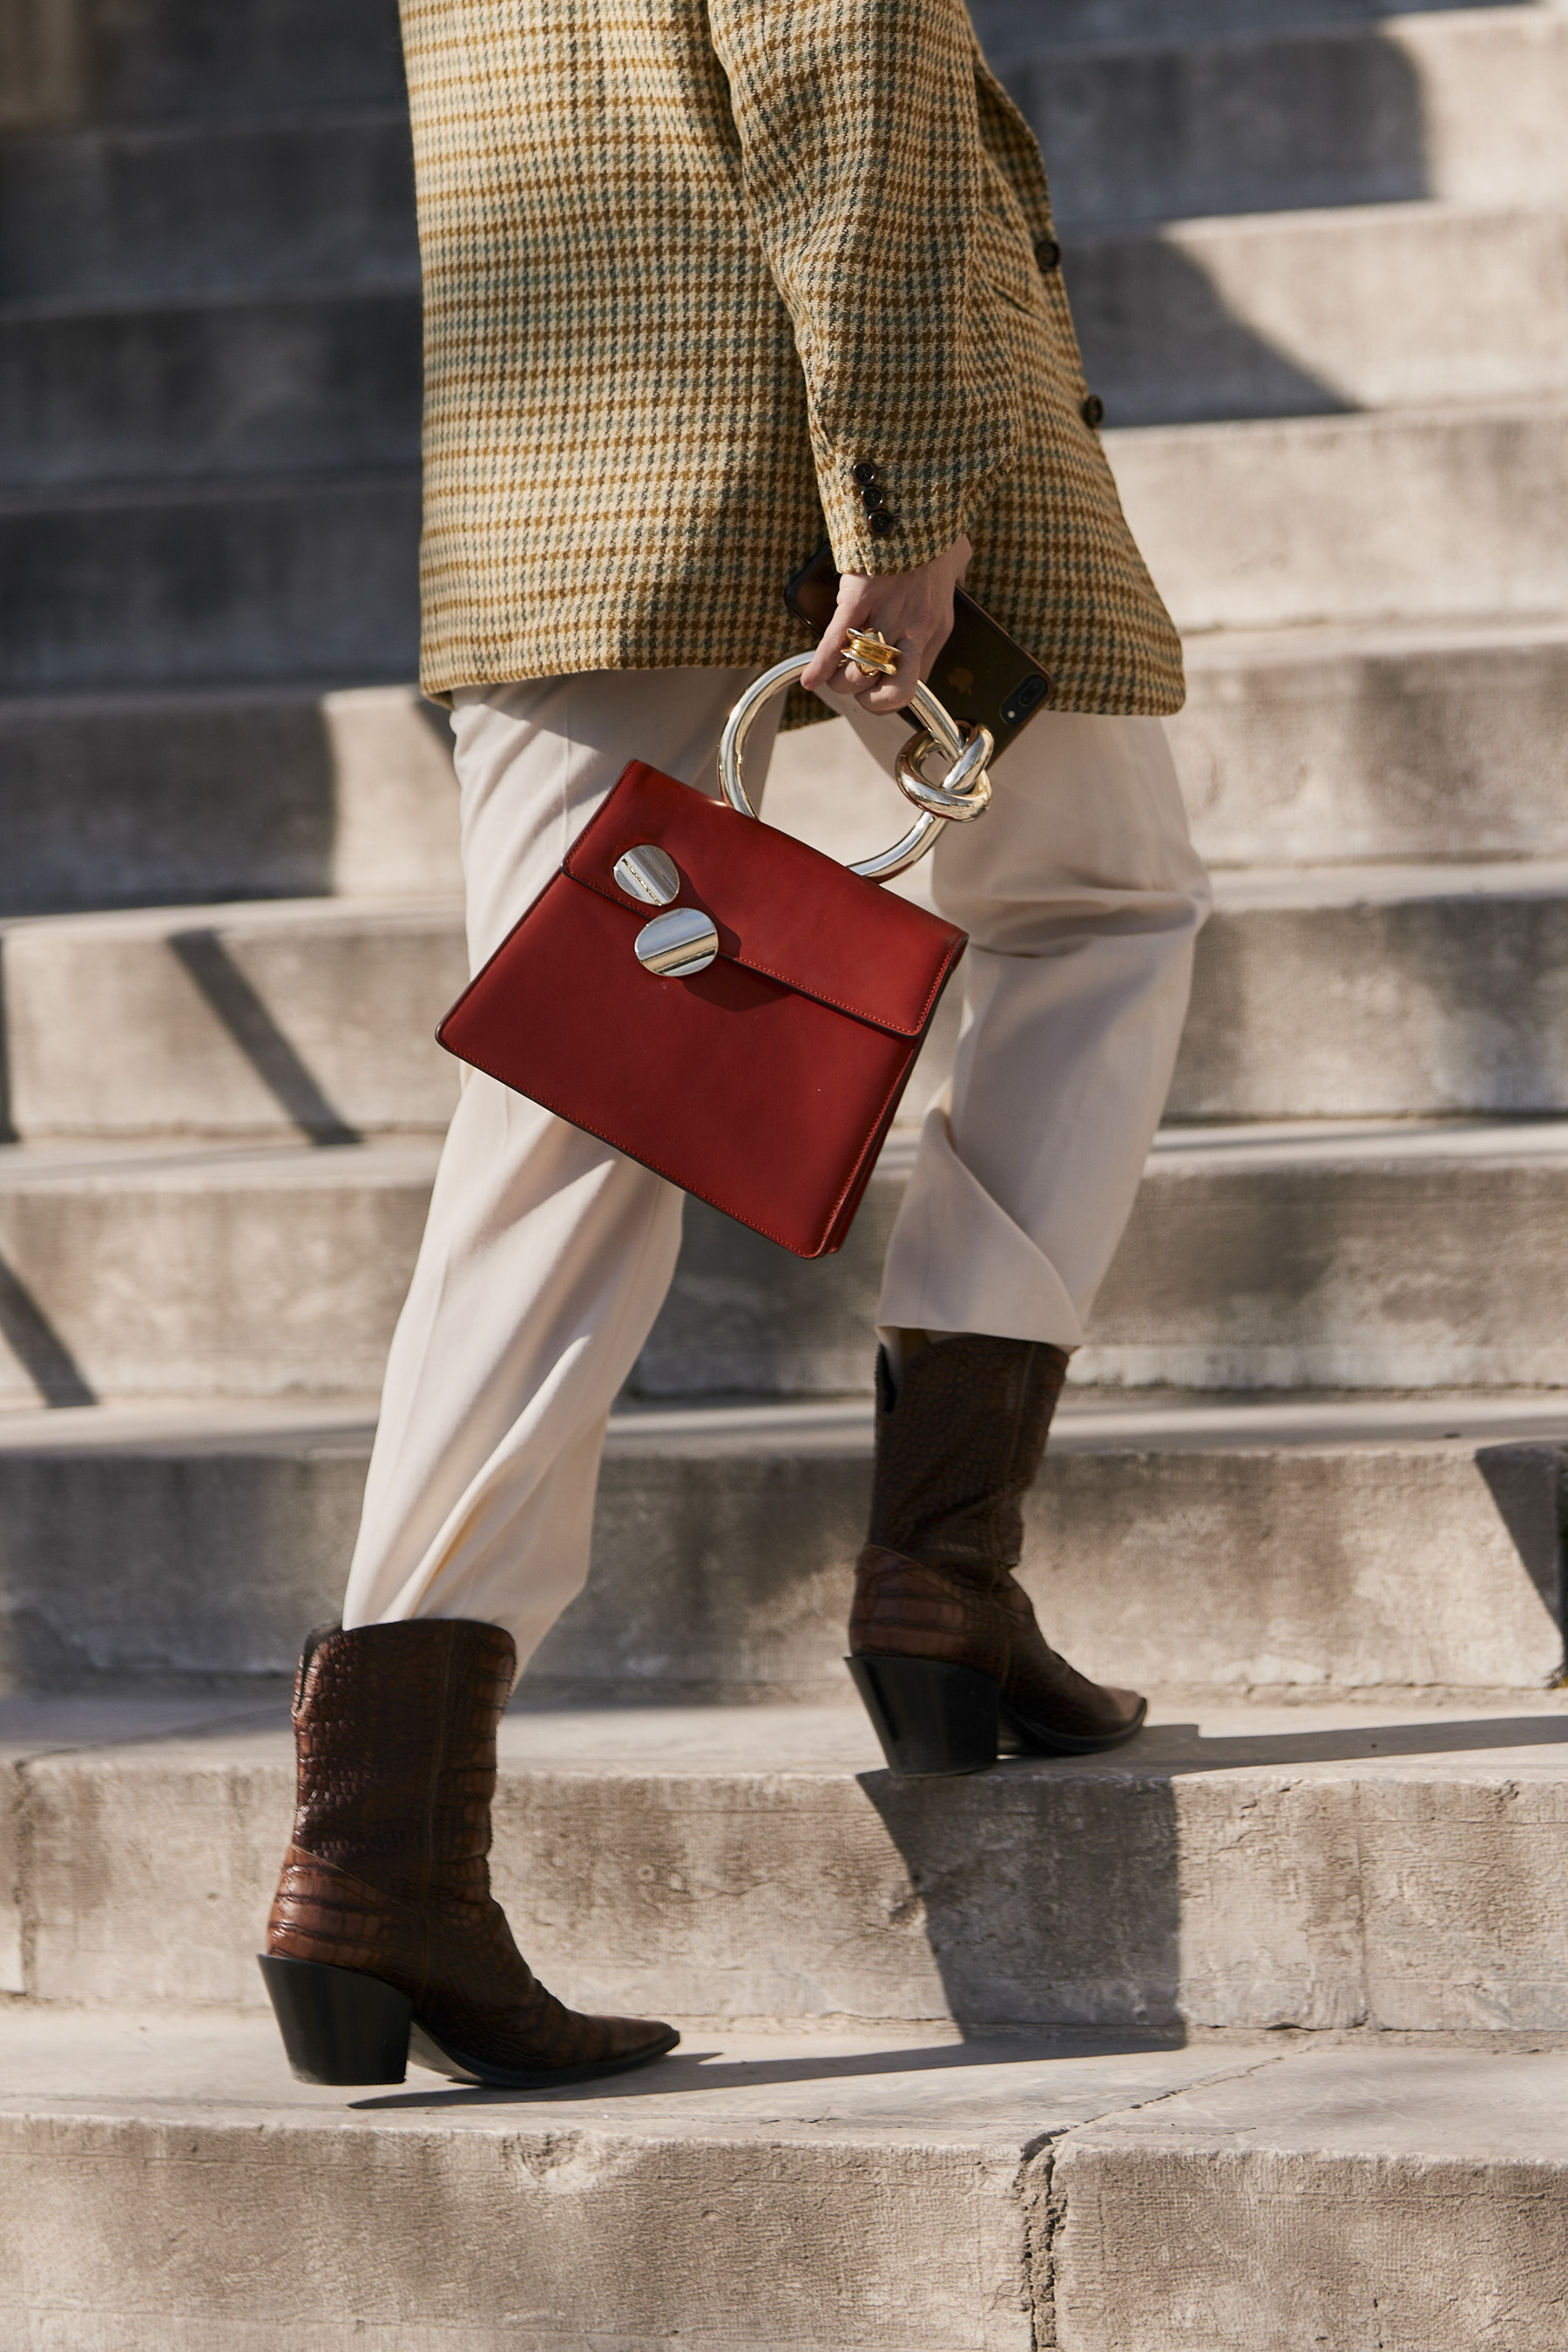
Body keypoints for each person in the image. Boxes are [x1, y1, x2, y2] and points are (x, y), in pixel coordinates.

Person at [260, 0, 1210, 2090]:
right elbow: (840, 58)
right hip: (815, 458)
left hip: (556, 485)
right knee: (1105, 907)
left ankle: (373, 1854)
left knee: (553, 1128)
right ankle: (942, 1568)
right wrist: (901, 495)